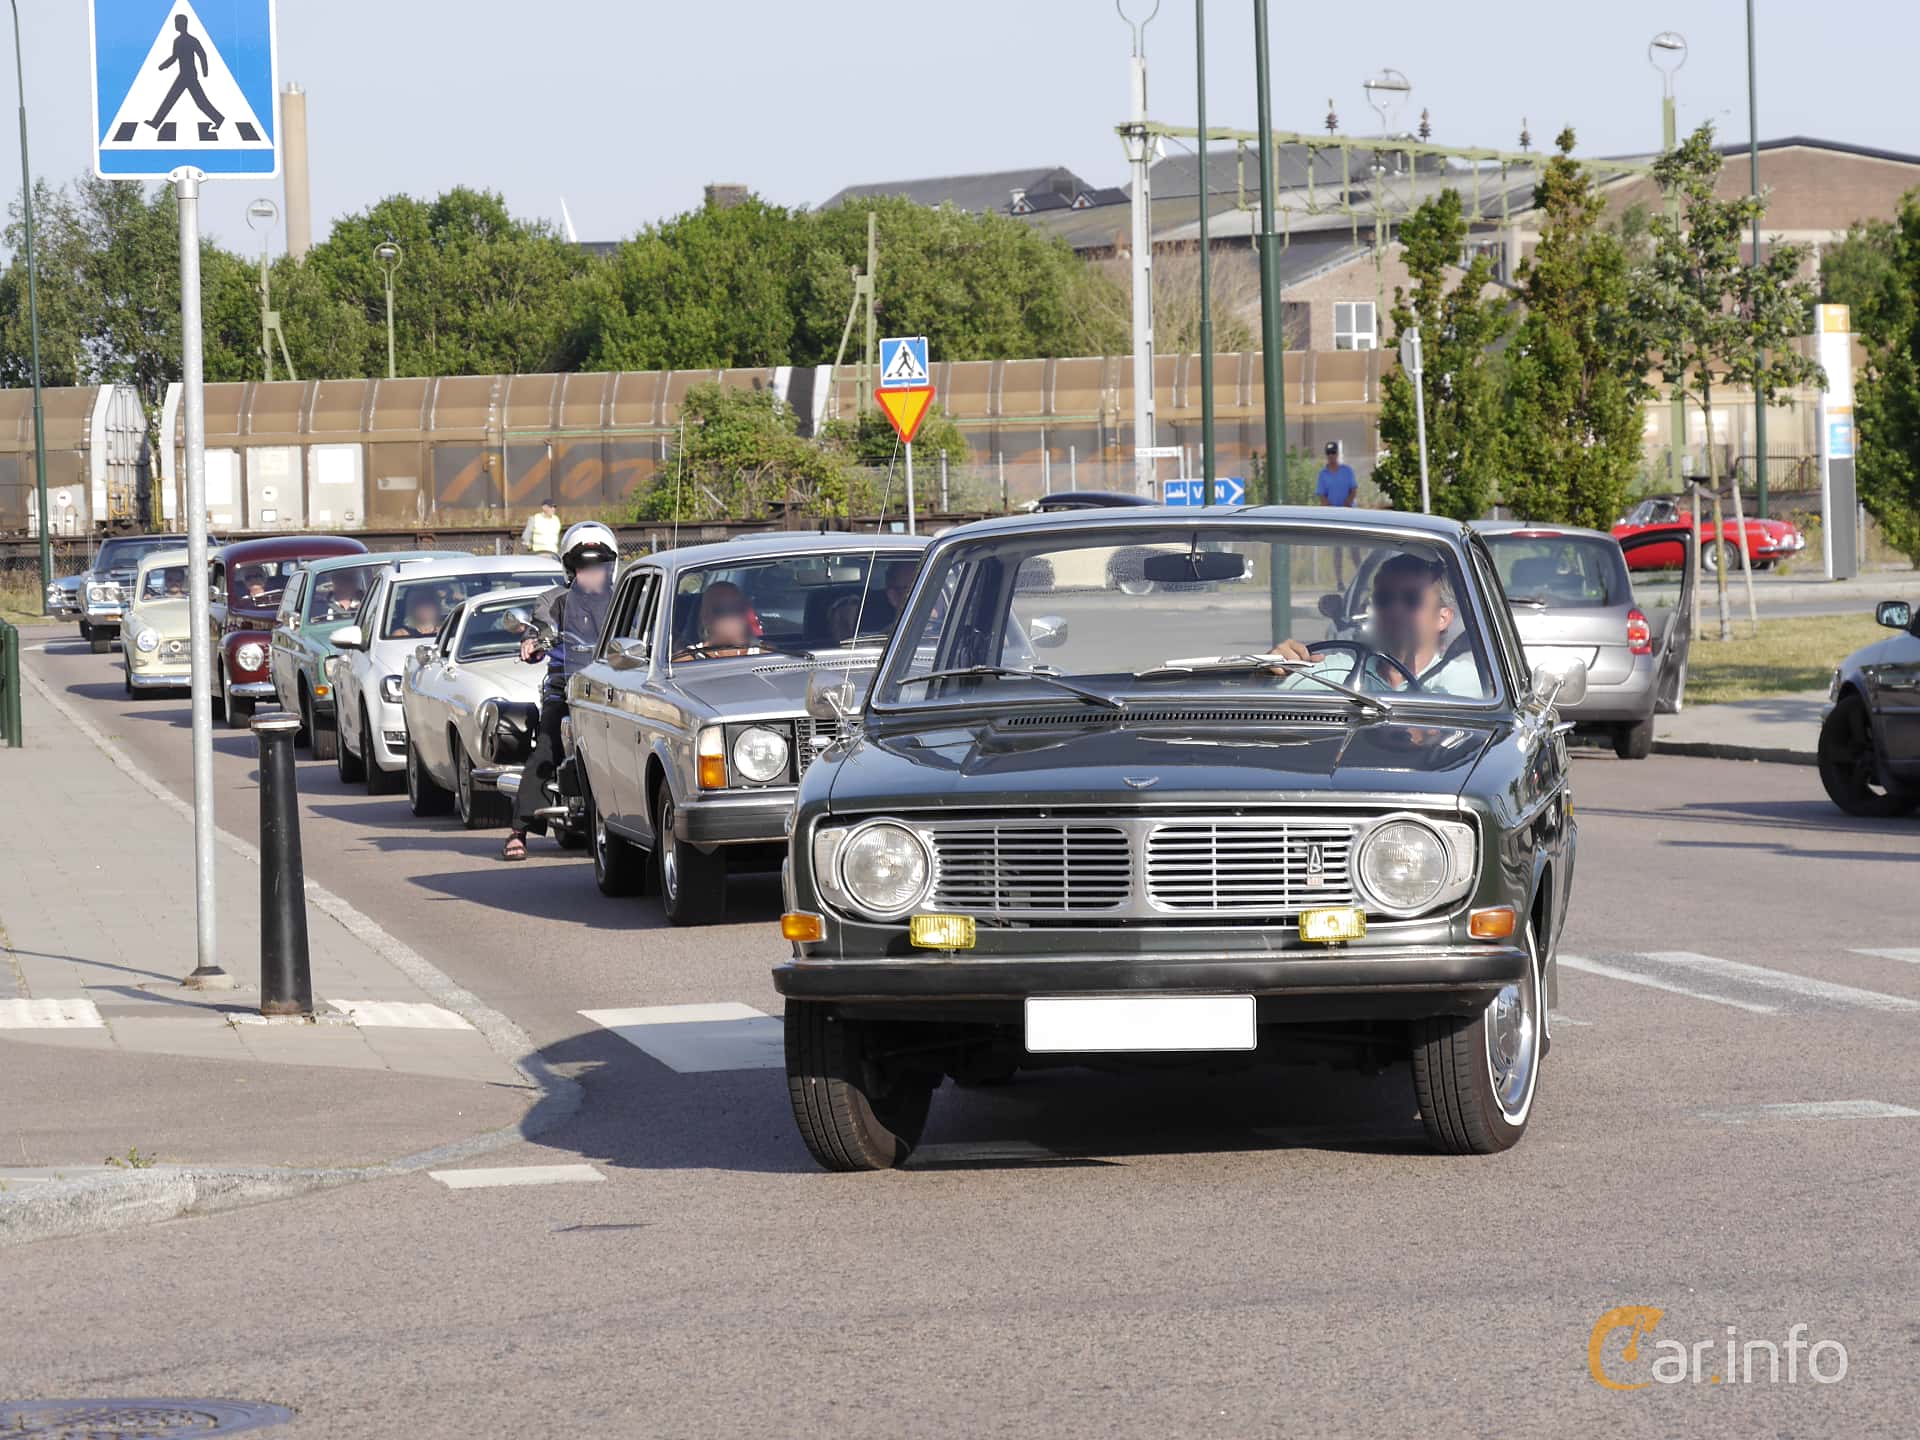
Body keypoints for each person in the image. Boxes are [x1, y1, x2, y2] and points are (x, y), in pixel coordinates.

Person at [502, 522, 618, 861]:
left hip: (608, 689)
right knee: (546, 748)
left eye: (598, 566)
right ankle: (519, 830)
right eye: (583, 566)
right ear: (571, 569)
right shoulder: (554, 600)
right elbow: (540, 627)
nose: (591, 574)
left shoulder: (625, 598)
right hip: (565, 689)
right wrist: (532, 642)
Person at [1269, 551, 1481, 697]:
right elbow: (1270, 690)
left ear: (1442, 618)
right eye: (1384, 599)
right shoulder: (1341, 671)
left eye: (1411, 599)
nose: (1395, 610)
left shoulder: (1463, 682)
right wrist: (1272, 668)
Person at [675, 582, 756, 660]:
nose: (736, 616)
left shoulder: (765, 655)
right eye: (723, 610)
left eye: (740, 608)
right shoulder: (687, 661)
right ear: (705, 618)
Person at [1316, 442, 1361, 584]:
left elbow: (1353, 489)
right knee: (1337, 550)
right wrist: (1331, 508)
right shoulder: (1323, 474)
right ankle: (1339, 581)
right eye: (1329, 453)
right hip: (1334, 517)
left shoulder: (1347, 471)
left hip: (1349, 514)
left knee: (1354, 549)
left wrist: (1347, 503)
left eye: (1333, 453)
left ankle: (1361, 577)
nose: (1331, 456)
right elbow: (1322, 495)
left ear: (1337, 454)